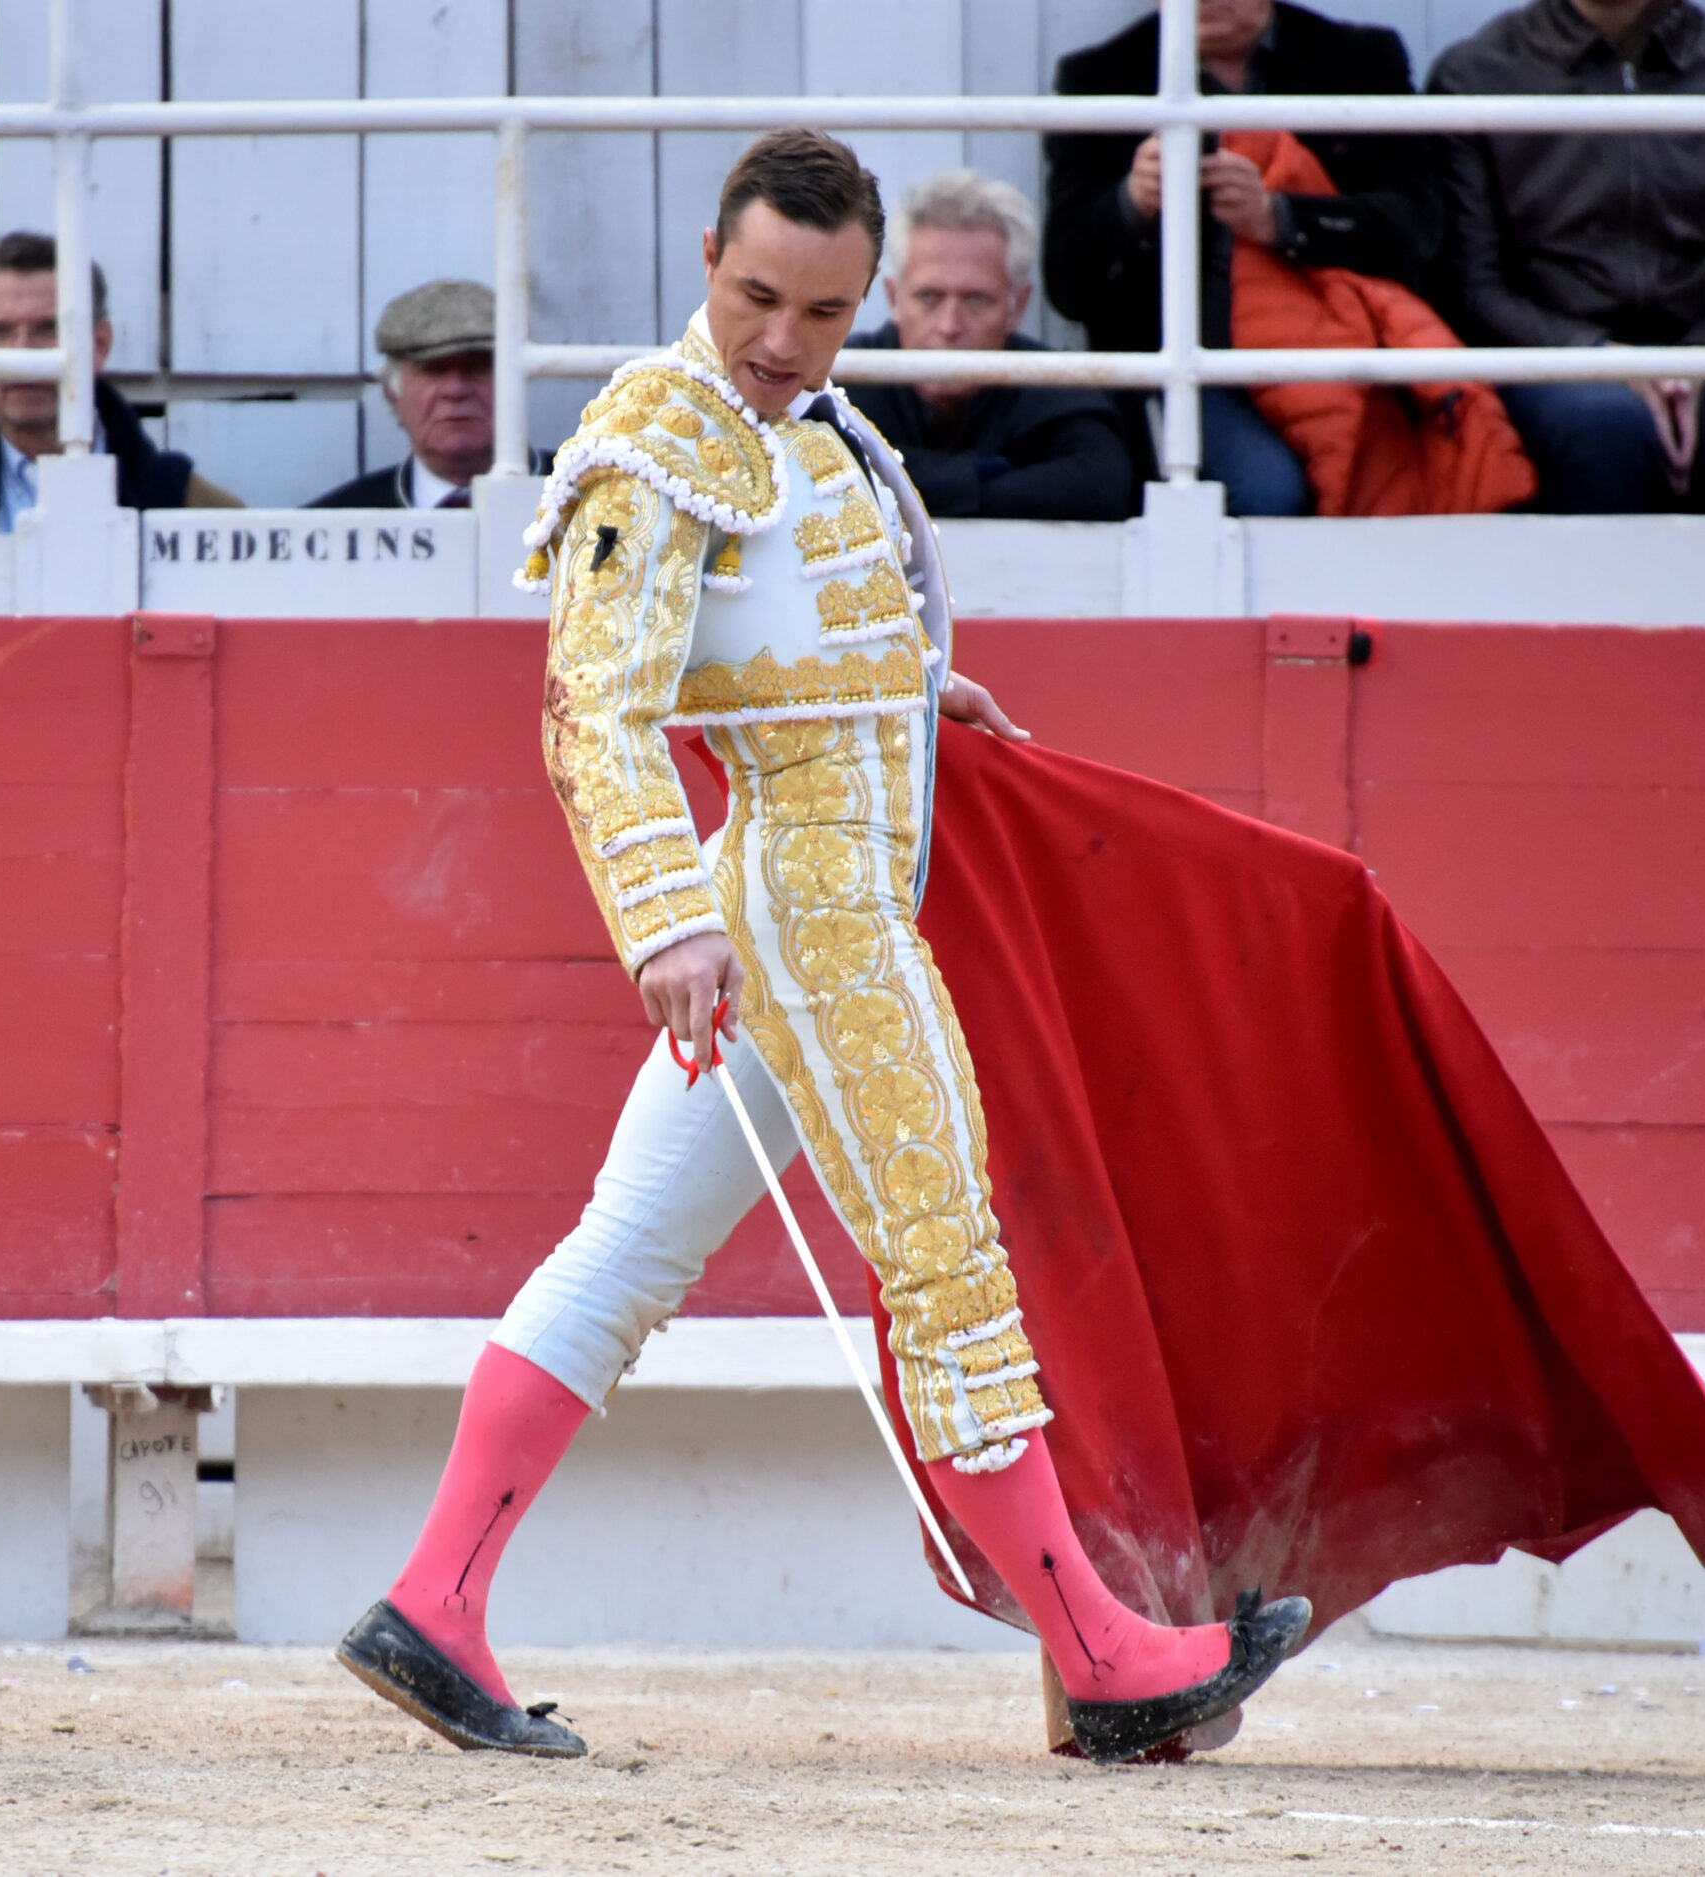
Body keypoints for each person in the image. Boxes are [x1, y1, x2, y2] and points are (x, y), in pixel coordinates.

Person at [333, 129, 1316, 1769]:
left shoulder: (790, 423)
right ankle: (1103, 1652)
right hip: (812, 923)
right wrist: (664, 919)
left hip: (800, 901)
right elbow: (600, 709)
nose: (783, 338)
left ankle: (436, 1596)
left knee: (622, 1258)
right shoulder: (656, 442)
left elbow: (775, 646)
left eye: (825, 311)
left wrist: (913, 698)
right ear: (709, 253)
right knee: (946, 1260)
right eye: (757, 297)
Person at [1043, 0, 1445, 515]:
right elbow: (1068, 284)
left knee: (1419, 475)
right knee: (1270, 490)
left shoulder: (1360, 58)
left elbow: (1419, 226)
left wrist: (1282, 218)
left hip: (1336, 351)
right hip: (1197, 369)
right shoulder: (1099, 77)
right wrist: (1132, 204)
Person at [1430, 0, 1705, 513]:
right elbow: (1473, 287)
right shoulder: (1478, 73)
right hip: (1551, 353)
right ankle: (1590, 597)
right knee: (1605, 426)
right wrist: (1594, 354)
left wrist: (1699, 360)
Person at [0, 232, 240, 529]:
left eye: (48, 328)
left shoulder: (193, 508)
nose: (24, 352)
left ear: (100, 343)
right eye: (2, 331)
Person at [844, 171, 1140, 521]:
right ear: (893, 298)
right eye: (929, 297)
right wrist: (982, 476)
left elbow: (1103, 483)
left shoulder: (1050, 383)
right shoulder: (845, 377)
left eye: (977, 299)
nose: (949, 326)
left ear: (1018, 306)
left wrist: (915, 483)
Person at [308, 279, 516, 509]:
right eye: (433, 371)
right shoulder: (336, 526)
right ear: (392, 395)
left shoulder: (563, 505)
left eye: (477, 368)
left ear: (518, 387)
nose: (455, 390)